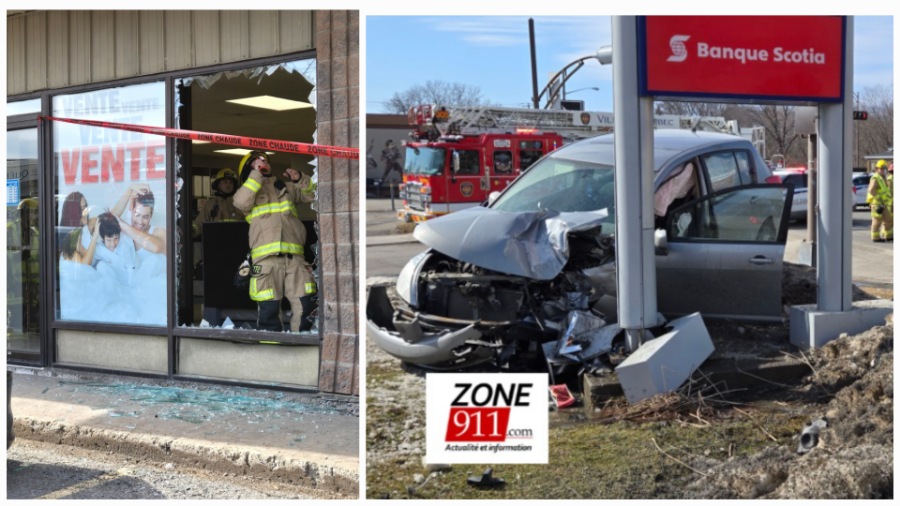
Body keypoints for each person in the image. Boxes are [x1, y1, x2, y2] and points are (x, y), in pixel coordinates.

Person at [233, 150, 317, 332]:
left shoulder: (284, 187)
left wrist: (299, 179)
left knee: (306, 307)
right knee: (269, 310)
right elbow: (240, 203)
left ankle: (302, 348)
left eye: (265, 160)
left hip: (295, 259)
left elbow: (311, 194)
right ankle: (271, 352)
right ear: (249, 170)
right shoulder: (248, 192)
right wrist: (256, 175)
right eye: (256, 161)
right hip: (266, 261)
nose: (263, 162)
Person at [192, 168, 245, 237]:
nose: (228, 185)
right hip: (216, 243)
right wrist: (193, 230)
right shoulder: (210, 204)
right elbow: (200, 222)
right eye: (225, 182)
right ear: (217, 184)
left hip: (237, 243)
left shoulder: (241, 203)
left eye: (231, 182)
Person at [867, 159, 893, 242]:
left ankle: (888, 236)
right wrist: (879, 198)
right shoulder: (875, 178)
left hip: (884, 203)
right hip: (877, 204)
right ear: (877, 169)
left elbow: (886, 191)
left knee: (888, 220)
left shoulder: (883, 178)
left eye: (884, 169)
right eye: (881, 168)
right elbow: (871, 190)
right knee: (877, 221)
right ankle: (875, 237)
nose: (883, 170)